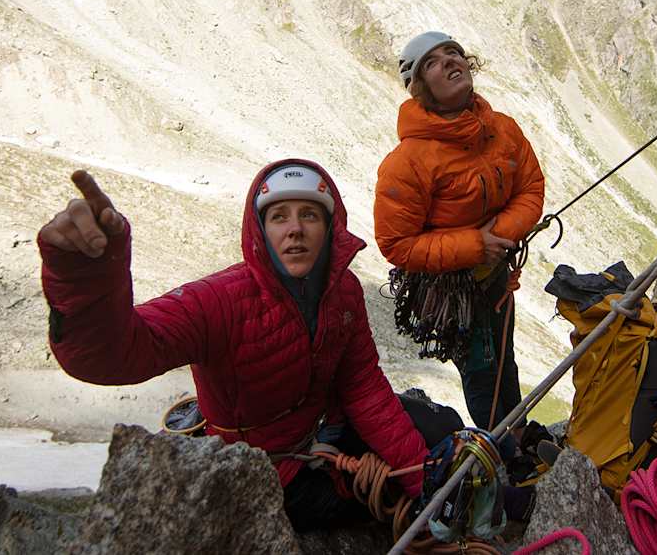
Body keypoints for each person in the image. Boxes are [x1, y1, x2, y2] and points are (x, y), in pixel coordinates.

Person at [37, 159, 442, 531]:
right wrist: (84, 278)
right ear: (261, 231)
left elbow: (362, 387)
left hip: (321, 435)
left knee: (439, 430)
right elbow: (112, 356)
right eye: (278, 216)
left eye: (310, 215)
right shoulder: (218, 301)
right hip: (262, 470)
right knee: (362, 505)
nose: (295, 228)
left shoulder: (344, 292)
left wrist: (420, 476)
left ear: (330, 229)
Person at [375, 31, 546, 455]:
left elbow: (531, 188)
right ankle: (503, 449)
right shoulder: (408, 162)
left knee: (503, 354)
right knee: (481, 367)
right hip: (453, 289)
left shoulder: (502, 129)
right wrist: (476, 245)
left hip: (495, 272)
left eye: (454, 53)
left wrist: (499, 237)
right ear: (421, 88)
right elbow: (397, 243)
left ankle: (517, 431)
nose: (451, 62)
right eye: (433, 62)